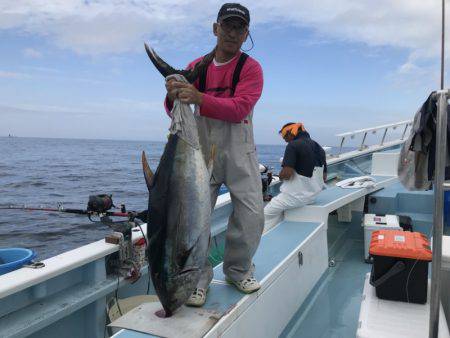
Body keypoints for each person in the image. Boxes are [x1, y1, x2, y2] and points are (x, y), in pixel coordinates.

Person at [164, 3, 264, 306]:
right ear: (215, 28)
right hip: (200, 151)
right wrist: (172, 95)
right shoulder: (198, 66)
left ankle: (237, 270)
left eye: (239, 28)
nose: (232, 33)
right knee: (193, 219)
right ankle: (197, 279)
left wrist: (198, 97)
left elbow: (240, 109)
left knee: (251, 215)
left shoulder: (250, 68)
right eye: (227, 26)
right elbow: (173, 109)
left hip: (239, 152)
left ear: (246, 33)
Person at [264, 123, 327, 231]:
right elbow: (324, 177)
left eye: (285, 136)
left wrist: (281, 174)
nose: (285, 140)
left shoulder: (293, 145)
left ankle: (261, 243)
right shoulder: (319, 147)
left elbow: (287, 174)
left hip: (294, 197)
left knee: (265, 214)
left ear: (292, 131)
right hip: (312, 197)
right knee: (279, 211)